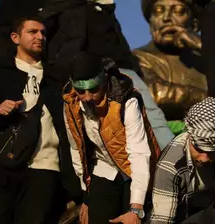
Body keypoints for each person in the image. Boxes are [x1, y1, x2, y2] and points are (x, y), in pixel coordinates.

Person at [0, 16, 81, 224]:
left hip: (45, 169)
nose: (40, 37)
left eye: (43, 33)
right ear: (15, 37)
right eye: (33, 32)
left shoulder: (58, 77)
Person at [40, 0, 173, 148]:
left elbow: (119, 41)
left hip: (121, 69)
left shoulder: (105, 7)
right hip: (89, 74)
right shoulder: (62, 5)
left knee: (150, 112)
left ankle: (173, 158)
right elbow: (45, 37)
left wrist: (132, 65)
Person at [63, 53, 161, 224]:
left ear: (104, 81)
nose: (87, 97)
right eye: (80, 91)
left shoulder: (127, 101)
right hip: (104, 168)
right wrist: (87, 196)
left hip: (135, 171)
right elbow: (76, 148)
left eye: (93, 90)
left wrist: (136, 209)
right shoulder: (70, 103)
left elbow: (139, 154)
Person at [150, 97, 215, 224]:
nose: (204, 158)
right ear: (190, 137)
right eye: (199, 149)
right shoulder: (170, 165)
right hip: (188, 217)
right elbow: (162, 220)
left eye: (211, 152)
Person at [133, 0, 207, 125]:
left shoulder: (205, 60)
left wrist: (204, 46)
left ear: (194, 22)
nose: (166, 18)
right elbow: (155, 94)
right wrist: (210, 99)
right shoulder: (137, 59)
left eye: (178, 11)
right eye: (158, 11)